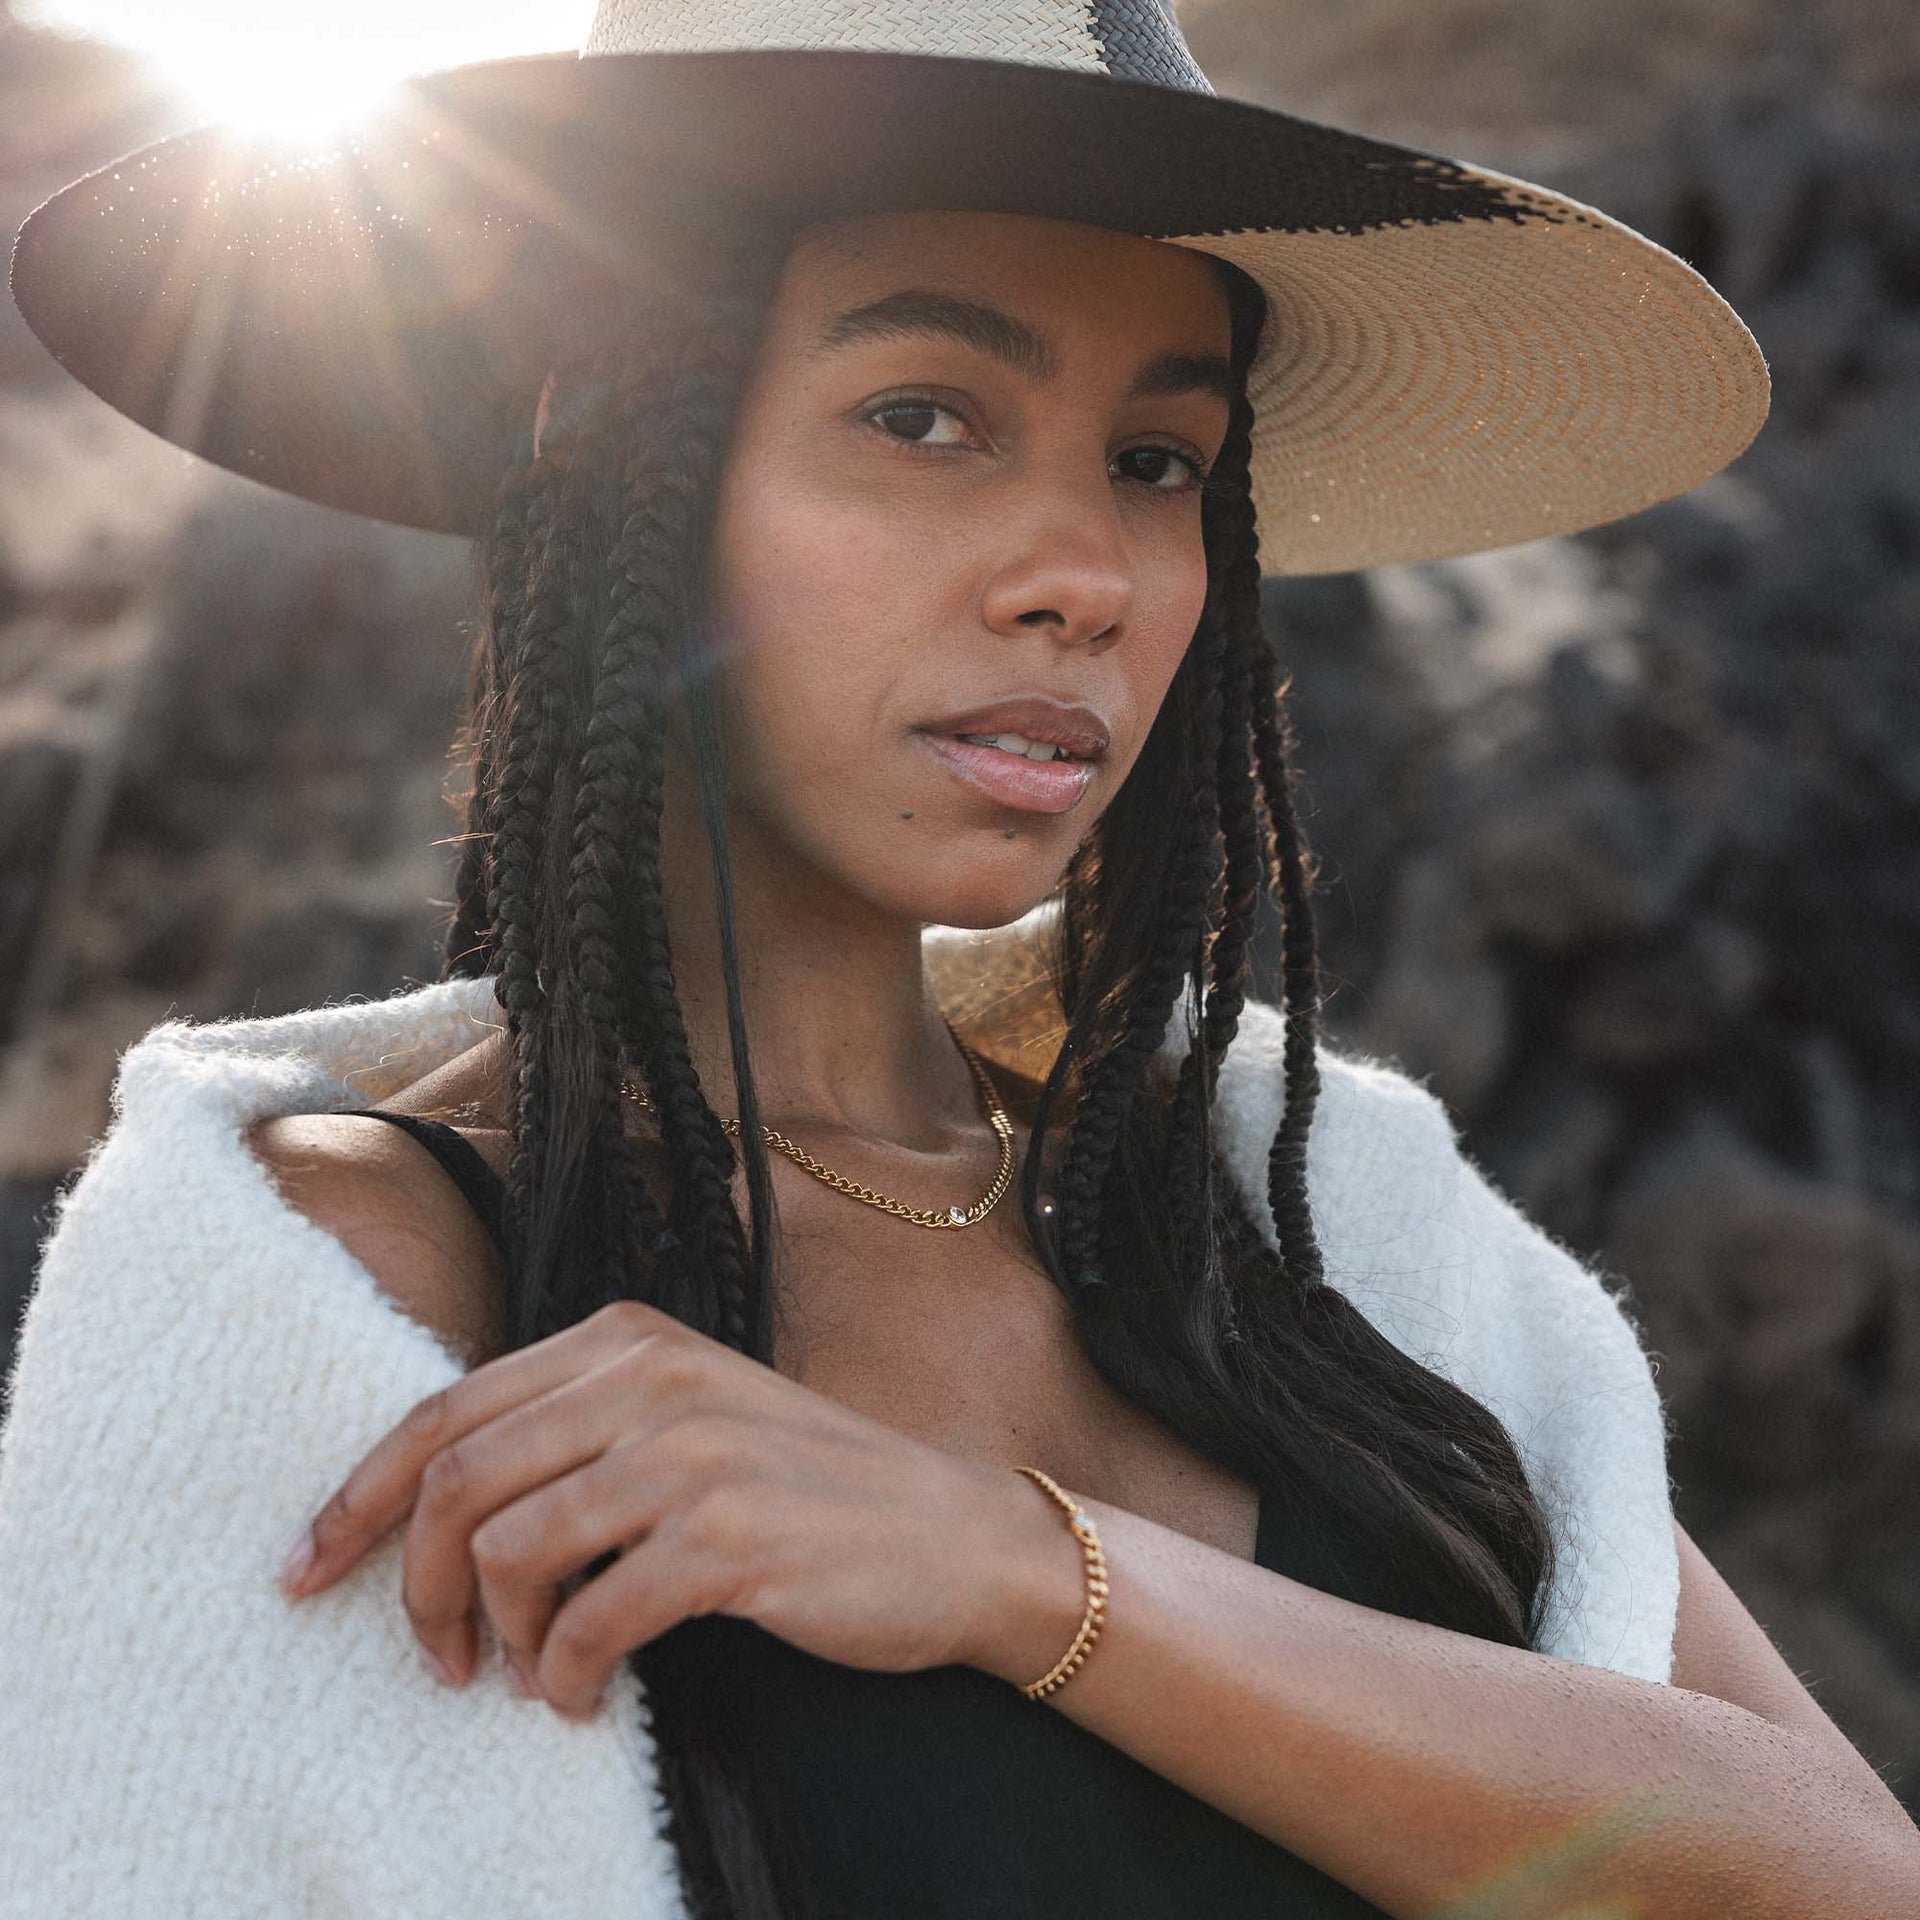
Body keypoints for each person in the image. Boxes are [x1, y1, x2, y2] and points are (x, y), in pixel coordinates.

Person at [2, 4, 1915, 1916]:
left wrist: (1022, 1573)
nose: (1083, 569)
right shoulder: (355, 1270)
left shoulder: (1289, 1201)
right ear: (613, 465)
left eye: (1160, 459)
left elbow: (1842, 1872)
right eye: (923, 416)